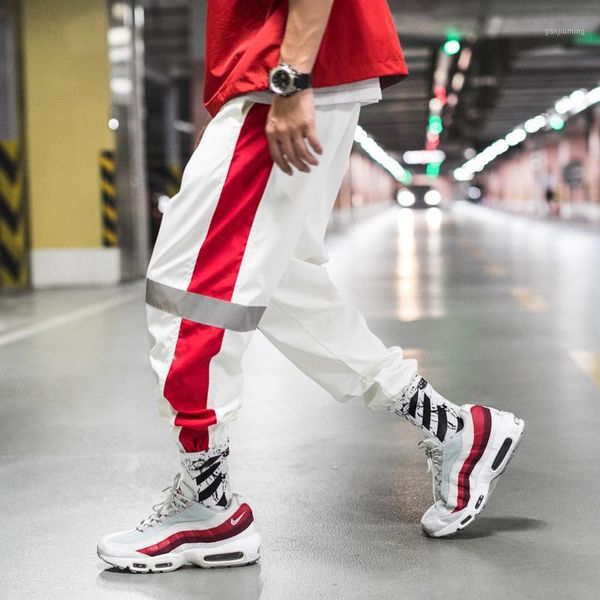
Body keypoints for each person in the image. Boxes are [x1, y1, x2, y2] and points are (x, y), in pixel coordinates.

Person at [97, 0, 524, 572]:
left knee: (191, 286)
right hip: (304, 69)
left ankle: (206, 505)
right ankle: (454, 429)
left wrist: (290, 78)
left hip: (278, 69)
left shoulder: (286, 76)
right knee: (280, 283)